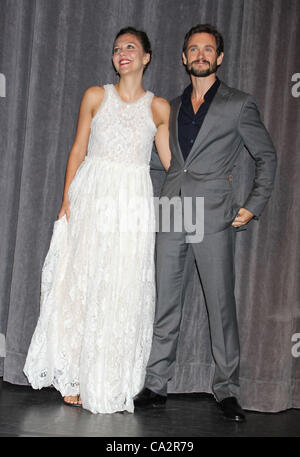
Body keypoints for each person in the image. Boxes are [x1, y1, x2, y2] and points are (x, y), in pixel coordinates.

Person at [23, 27, 171, 414]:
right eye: (118, 48)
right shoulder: (95, 95)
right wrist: (65, 199)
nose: (123, 53)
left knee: (120, 286)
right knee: (81, 282)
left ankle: (105, 378)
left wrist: (211, 178)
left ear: (146, 57)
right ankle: (73, 372)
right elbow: (78, 148)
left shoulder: (159, 109)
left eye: (132, 48)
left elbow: (172, 164)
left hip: (131, 202)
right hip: (92, 195)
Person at [134, 24, 277, 422]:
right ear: (183, 58)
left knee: (220, 304)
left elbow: (267, 156)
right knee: (166, 303)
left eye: (208, 49)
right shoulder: (170, 107)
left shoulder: (239, 104)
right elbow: (159, 159)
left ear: (219, 57)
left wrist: (253, 204)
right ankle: (156, 383)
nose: (200, 54)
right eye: (193, 49)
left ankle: (227, 389)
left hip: (212, 212)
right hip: (173, 209)